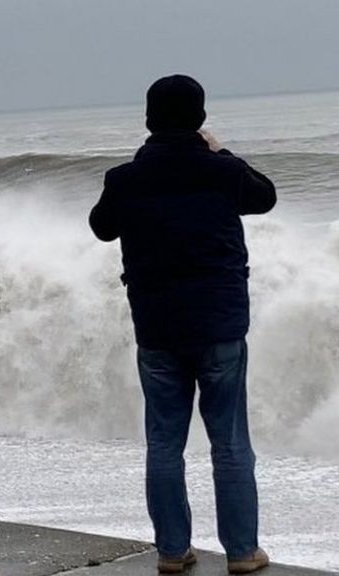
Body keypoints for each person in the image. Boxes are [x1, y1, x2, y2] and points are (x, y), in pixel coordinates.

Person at [89, 75, 276, 575]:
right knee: (230, 442)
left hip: (157, 328)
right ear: (199, 119)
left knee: (165, 443)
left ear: (149, 118)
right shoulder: (221, 170)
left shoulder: (125, 179)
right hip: (219, 324)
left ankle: (173, 551)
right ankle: (241, 553)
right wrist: (220, 151)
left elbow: (101, 227)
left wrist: (139, 168)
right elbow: (266, 196)